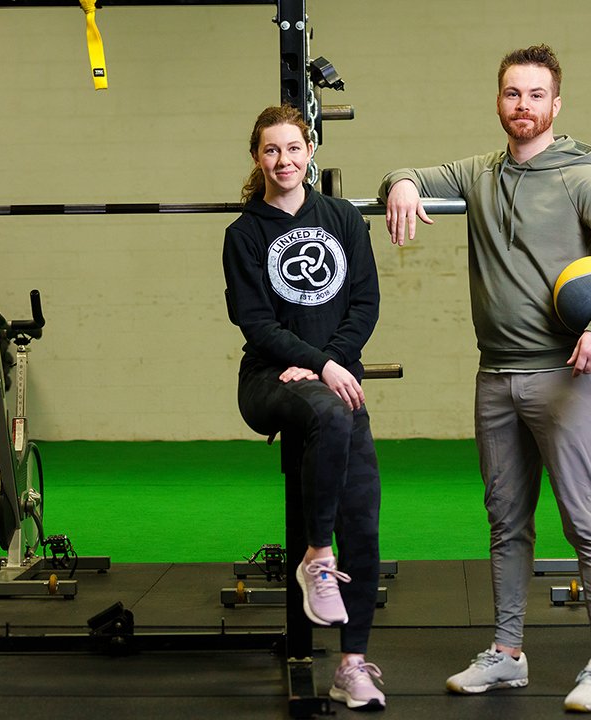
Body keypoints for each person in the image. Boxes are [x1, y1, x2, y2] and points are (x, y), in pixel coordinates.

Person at [379, 44, 591, 713]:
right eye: (512, 94)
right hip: (495, 376)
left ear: (555, 105)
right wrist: (403, 185)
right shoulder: (478, 173)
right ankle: (506, 654)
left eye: (536, 95)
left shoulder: (580, 176)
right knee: (507, 525)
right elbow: (409, 170)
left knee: (587, 525)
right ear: (498, 99)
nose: (523, 106)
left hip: (563, 376)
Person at [223, 105, 386, 711]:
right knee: (329, 413)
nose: (284, 161)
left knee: (364, 518)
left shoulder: (342, 218)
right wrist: (317, 365)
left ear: (310, 149)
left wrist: (327, 364)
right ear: (257, 157)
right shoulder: (244, 234)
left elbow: (364, 304)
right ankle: (318, 556)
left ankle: (351, 664)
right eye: (271, 151)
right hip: (268, 379)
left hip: (336, 381)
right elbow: (255, 321)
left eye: (293, 149)